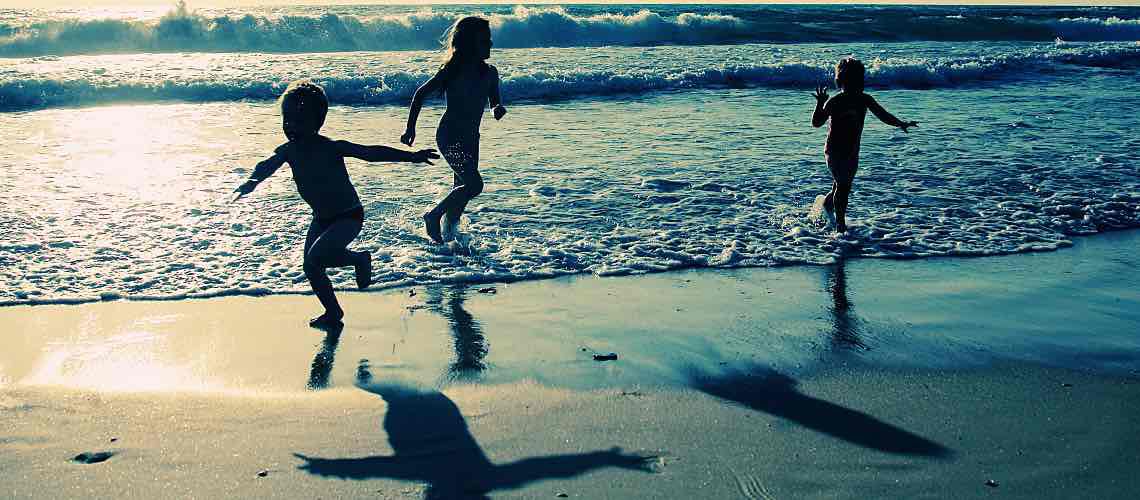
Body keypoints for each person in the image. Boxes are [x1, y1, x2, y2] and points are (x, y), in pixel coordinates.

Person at [235, 80, 439, 330]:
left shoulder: (331, 148)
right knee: (311, 267)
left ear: (317, 122)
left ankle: (359, 259)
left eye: (299, 121)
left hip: (348, 216)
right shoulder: (288, 151)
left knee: (318, 257)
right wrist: (252, 181)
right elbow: (266, 165)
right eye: (287, 120)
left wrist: (411, 157)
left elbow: (370, 153)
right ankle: (333, 311)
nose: (291, 126)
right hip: (321, 218)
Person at [402, 16, 507, 244]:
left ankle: (448, 244)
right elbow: (420, 94)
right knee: (474, 185)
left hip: (471, 138)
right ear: (469, 43)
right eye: (484, 41)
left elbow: (494, 102)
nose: (490, 45)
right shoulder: (453, 70)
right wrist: (411, 129)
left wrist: (497, 108)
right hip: (449, 136)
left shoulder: (490, 73)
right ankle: (432, 216)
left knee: (461, 194)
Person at [812, 57, 918, 233]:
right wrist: (820, 103)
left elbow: (883, 115)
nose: (858, 84)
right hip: (835, 151)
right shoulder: (836, 101)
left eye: (860, 80)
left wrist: (900, 123)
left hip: (852, 152)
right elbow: (817, 123)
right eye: (852, 80)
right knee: (843, 187)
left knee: (840, 186)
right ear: (841, 81)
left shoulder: (865, 100)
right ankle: (840, 226)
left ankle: (825, 206)